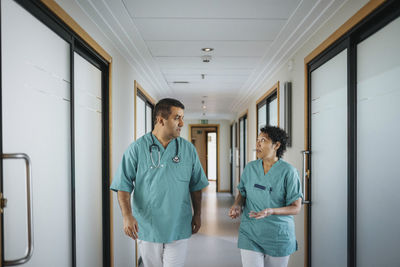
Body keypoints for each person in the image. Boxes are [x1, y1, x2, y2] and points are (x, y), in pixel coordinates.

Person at [110, 98, 209, 267]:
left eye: (182, 117)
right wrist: (127, 216)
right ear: (161, 120)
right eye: (177, 117)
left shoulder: (188, 150)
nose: (182, 123)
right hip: (148, 227)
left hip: (179, 224)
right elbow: (123, 185)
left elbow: (196, 185)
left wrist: (198, 214)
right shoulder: (137, 148)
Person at [229, 126, 302, 267]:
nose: (257, 144)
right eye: (257, 140)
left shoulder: (289, 172)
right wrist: (237, 205)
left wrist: (271, 211)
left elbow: (296, 207)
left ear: (276, 145)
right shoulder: (250, 168)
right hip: (250, 233)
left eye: (263, 140)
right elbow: (242, 192)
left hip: (278, 235)